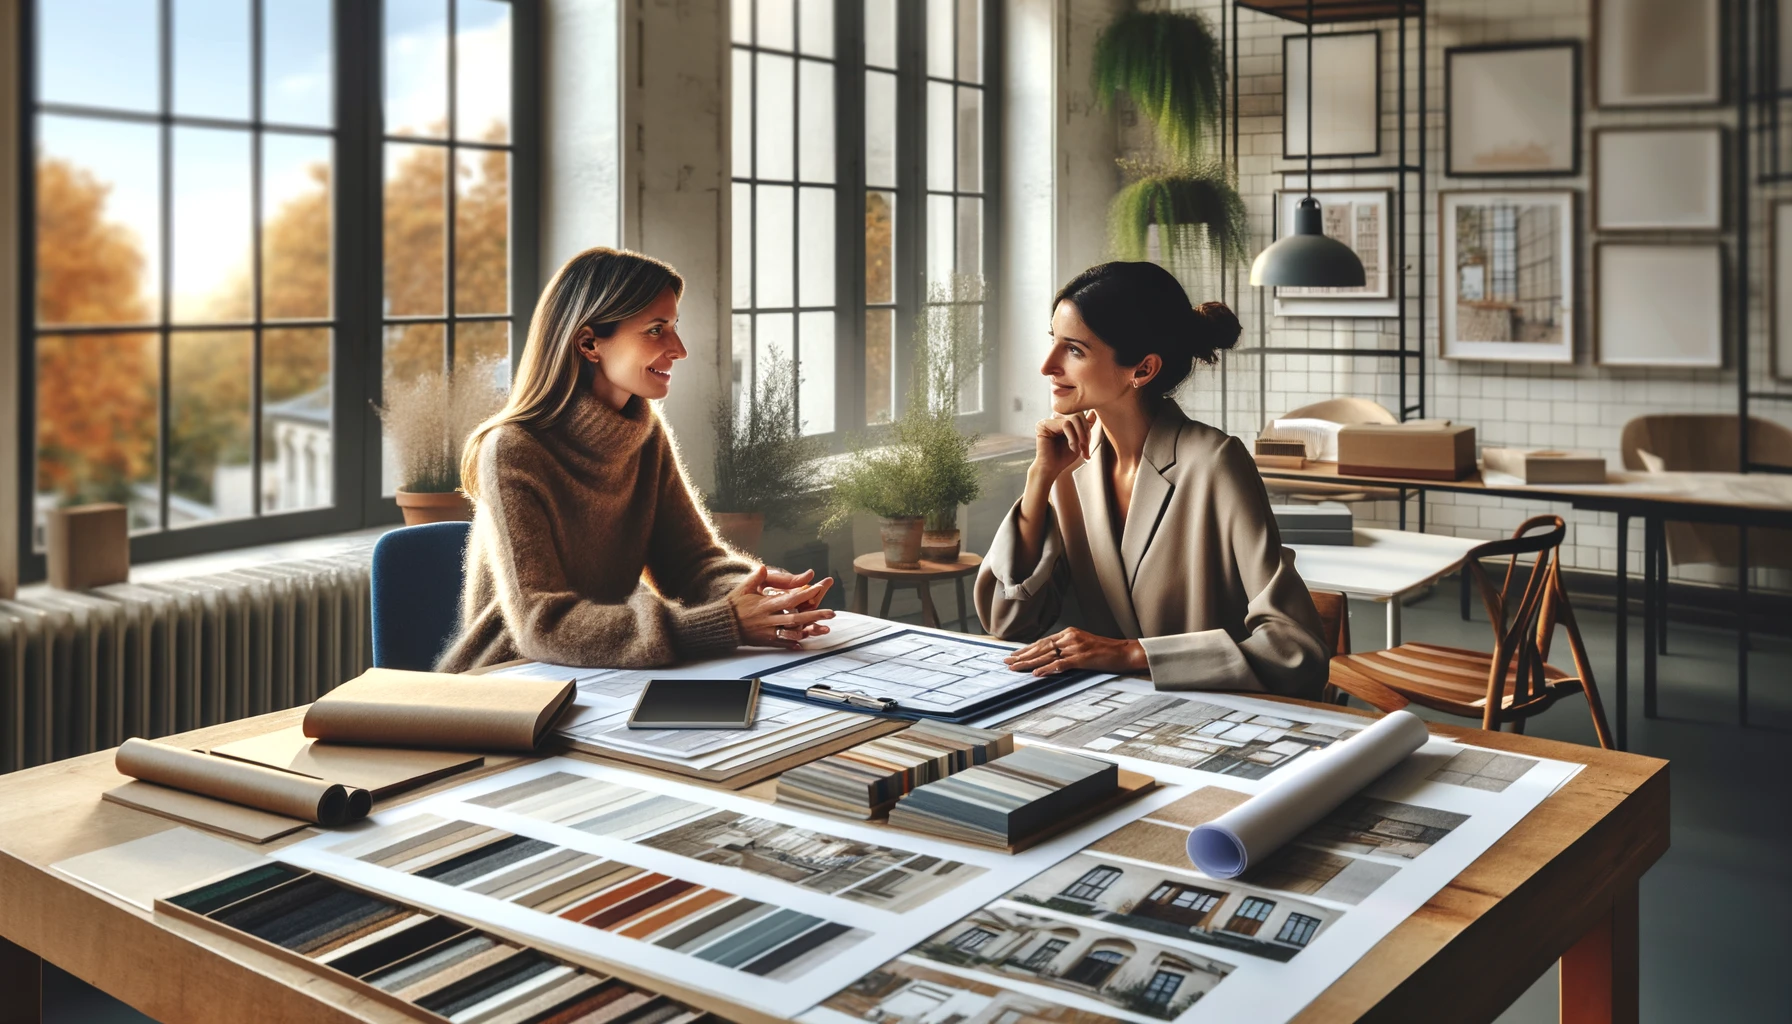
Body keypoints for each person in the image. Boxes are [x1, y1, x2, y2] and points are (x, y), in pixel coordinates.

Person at [436, 246, 835, 672]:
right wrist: (726, 623)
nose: (678, 349)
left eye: (674, 327)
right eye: (655, 330)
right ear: (589, 343)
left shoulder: (645, 433)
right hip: (513, 682)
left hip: (609, 675)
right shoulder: (513, 449)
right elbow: (542, 624)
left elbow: (693, 564)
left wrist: (756, 597)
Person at [973, 261, 1328, 698]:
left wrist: (1130, 654)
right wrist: (1039, 479)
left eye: (1075, 350)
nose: (1048, 365)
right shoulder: (1069, 464)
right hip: (1100, 712)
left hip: (1209, 716)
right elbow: (1006, 621)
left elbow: (1297, 652)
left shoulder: (1215, 463)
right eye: (1053, 342)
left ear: (1142, 370)